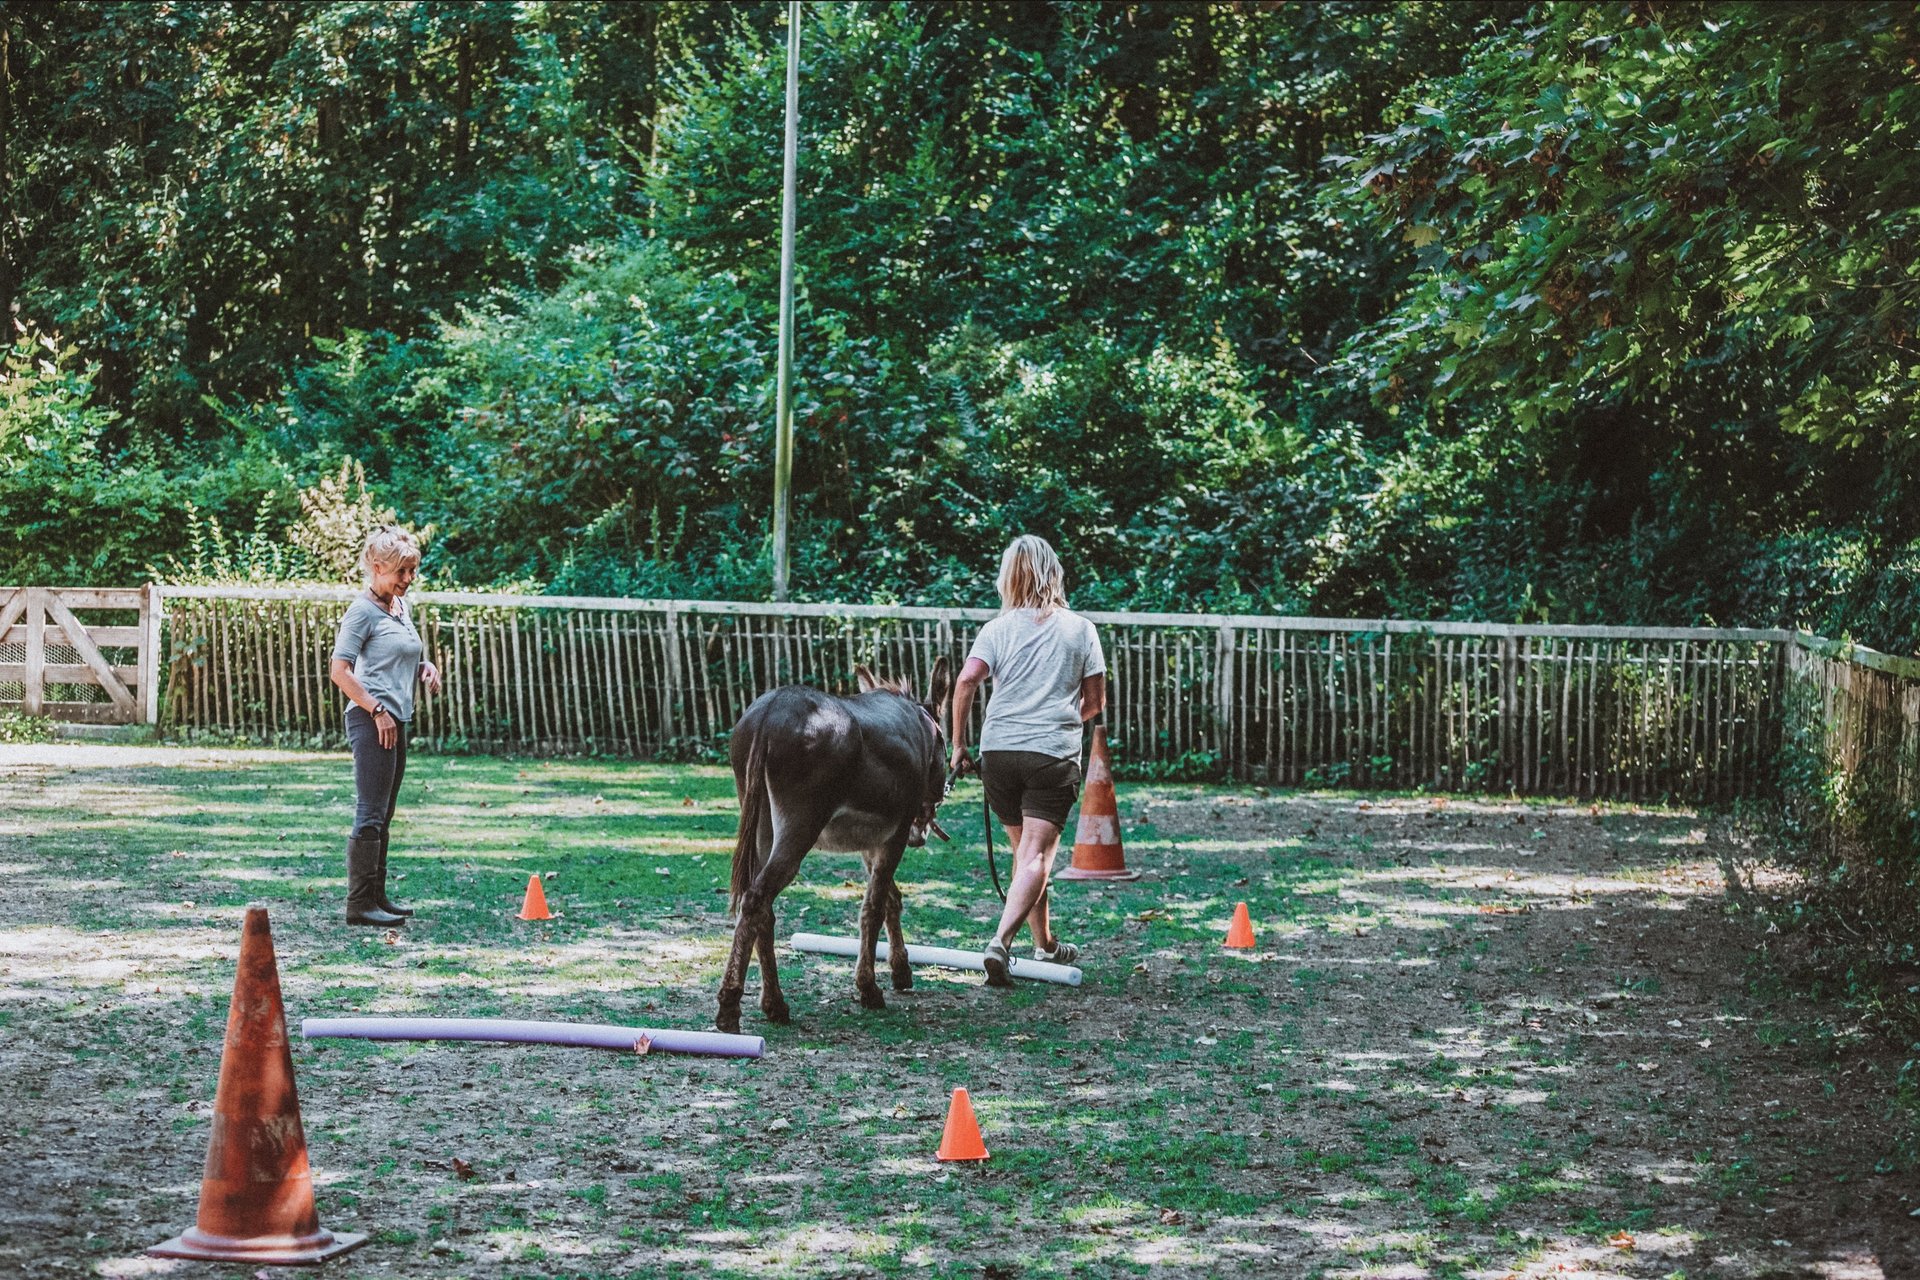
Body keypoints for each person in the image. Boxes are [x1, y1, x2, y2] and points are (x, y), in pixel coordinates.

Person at [947, 535, 1106, 986]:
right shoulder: (1081, 629)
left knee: (1025, 854)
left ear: (1008, 577)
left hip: (998, 752)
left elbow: (965, 682)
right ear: (1054, 572)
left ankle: (1046, 945)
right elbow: (1095, 704)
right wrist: (1055, 718)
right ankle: (1000, 942)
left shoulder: (997, 629)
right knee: (1035, 856)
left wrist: (959, 745)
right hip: (1050, 755)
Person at [328, 526, 441, 927]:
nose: (409, 579)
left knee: (385, 812)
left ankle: (377, 897)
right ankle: (359, 905)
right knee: (370, 811)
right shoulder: (361, 611)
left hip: (396, 720)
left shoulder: (398, 607)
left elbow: (402, 655)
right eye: (402, 572)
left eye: (412, 570)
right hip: (371, 720)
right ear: (378, 568)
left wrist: (425, 667)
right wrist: (376, 710)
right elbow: (339, 671)